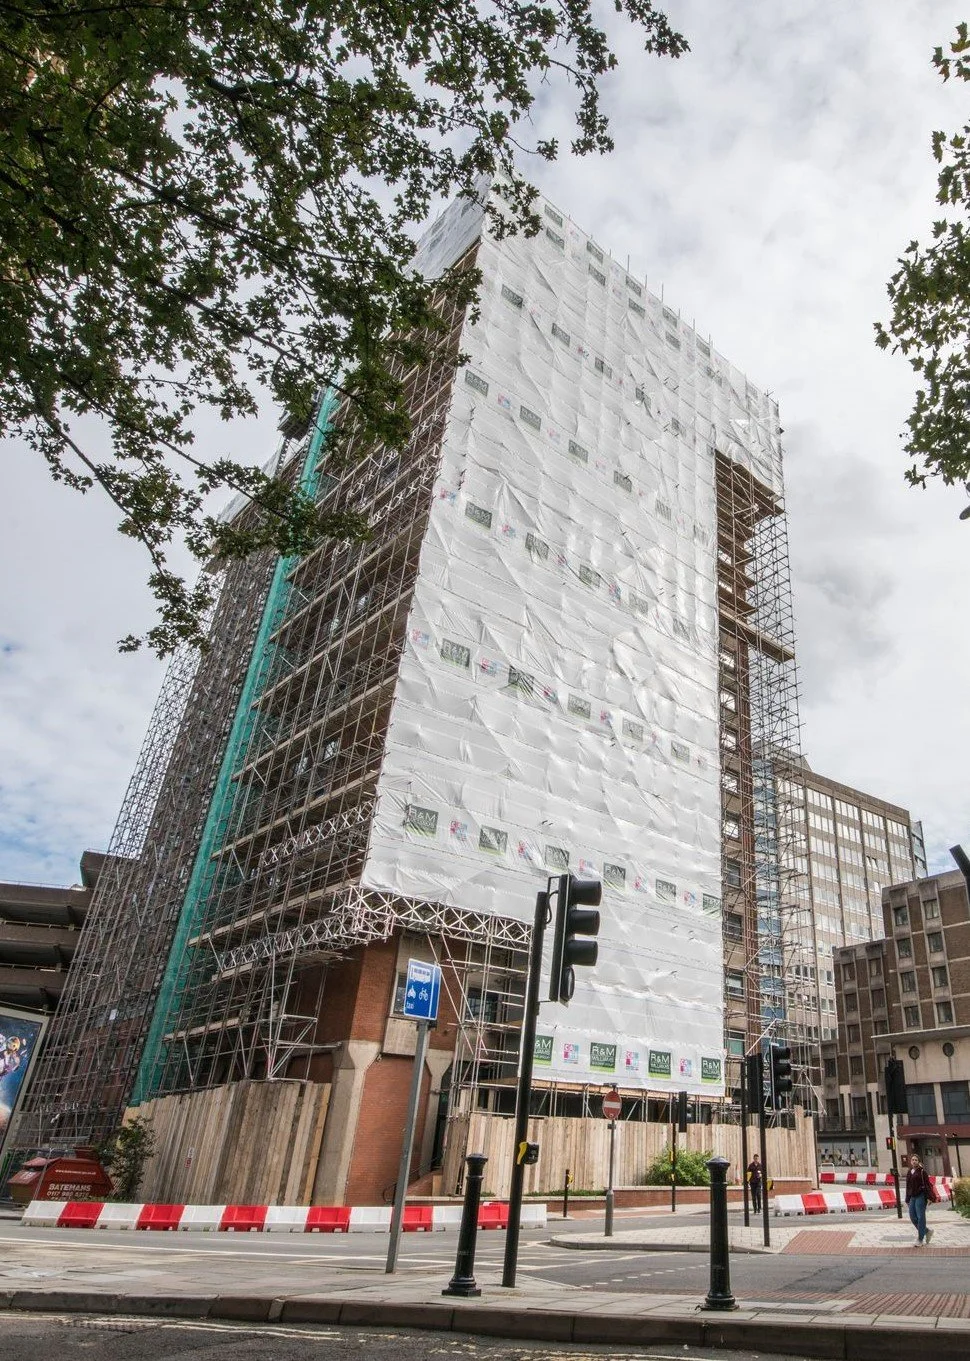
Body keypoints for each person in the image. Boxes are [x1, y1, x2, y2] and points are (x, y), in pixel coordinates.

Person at [905, 1153, 935, 1247]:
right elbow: (908, 1186)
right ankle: (927, 1231)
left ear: (919, 1161)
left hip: (921, 1196)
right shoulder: (909, 1172)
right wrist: (907, 1199)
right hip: (912, 1197)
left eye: (916, 1160)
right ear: (911, 1161)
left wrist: (930, 1197)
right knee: (913, 1217)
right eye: (912, 1160)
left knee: (921, 1217)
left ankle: (920, 1239)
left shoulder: (922, 1172)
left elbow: (927, 1185)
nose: (914, 1161)